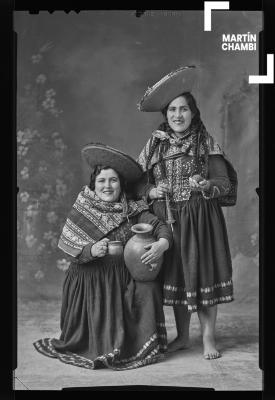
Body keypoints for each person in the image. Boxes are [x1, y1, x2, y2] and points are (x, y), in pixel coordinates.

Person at [33, 143, 172, 370]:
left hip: (123, 278)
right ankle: (100, 338)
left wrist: (162, 244)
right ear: (93, 184)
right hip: (91, 282)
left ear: (121, 184)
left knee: (149, 287)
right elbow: (71, 247)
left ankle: (140, 342)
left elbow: (159, 226)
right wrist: (91, 250)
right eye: (102, 181)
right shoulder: (83, 207)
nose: (107, 186)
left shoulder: (133, 209)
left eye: (113, 180)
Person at [135, 66, 237, 360]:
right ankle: (182, 336)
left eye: (183, 109)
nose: (177, 115)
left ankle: (207, 338)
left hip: (200, 219)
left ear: (193, 113)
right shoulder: (155, 144)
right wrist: (152, 192)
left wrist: (206, 184)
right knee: (177, 278)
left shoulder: (205, 141)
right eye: (171, 111)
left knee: (202, 275)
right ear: (165, 115)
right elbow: (139, 182)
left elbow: (224, 182)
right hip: (168, 220)